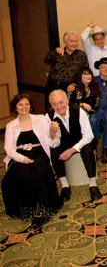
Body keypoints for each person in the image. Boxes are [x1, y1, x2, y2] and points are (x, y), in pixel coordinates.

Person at [3, 94, 61, 228]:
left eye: (26, 104)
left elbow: (53, 140)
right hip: (18, 155)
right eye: (20, 104)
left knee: (38, 171)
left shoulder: (40, 119)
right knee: (20, 172)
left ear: (30, 106)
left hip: (39, 152)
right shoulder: (11, 125)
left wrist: (53, 131)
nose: (24, 107)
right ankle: (28, 208)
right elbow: (8, 149)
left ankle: (42, 210)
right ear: (15, 108)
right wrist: (23, 159)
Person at [47, 89, 101, 202]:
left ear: (66, 101)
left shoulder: (78, 111)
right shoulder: (48, 117)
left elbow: (88, 136)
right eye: (55, 104)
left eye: (61, 102)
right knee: (54, 151)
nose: (59, 106)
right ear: (51, 105)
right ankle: (65, 185)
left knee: (87, 149)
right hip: (64, 143)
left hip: (83, 140)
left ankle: (92, 184)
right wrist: (53, 133)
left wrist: (72, 150)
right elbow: (53, 143)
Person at [44, 31, 89, 104]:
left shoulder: (81, 55)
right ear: (65, 42)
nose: (74, 43)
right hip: (55, 86)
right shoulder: (58, 53)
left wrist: (76, 84)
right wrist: (55, 51)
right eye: (71, 41)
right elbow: (46, 60)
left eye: (76, 41)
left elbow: (85, 72)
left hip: (71, 87)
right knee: (52, 109)